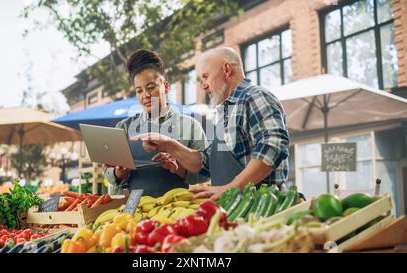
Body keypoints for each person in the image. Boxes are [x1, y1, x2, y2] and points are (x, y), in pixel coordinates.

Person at [133, 47, 290, 200]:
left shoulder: (254, 97)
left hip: (263, 206)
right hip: (236, 207)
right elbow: (205, 164)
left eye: (205, 76)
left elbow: (273, 145)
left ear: (226, 70)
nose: (203, 86)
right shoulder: (225, 112)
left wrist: (231, 188)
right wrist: (169, 145)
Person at [104, 49, 208, 197]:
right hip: (131, 210)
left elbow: (206, 171)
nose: (145, 95)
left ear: (165, 87)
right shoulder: (123, 127)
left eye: (151, 88)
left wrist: (178, 169)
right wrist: (118, 173)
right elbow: (108, 172)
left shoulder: (190, 126)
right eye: (139, 91)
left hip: (174, 207)